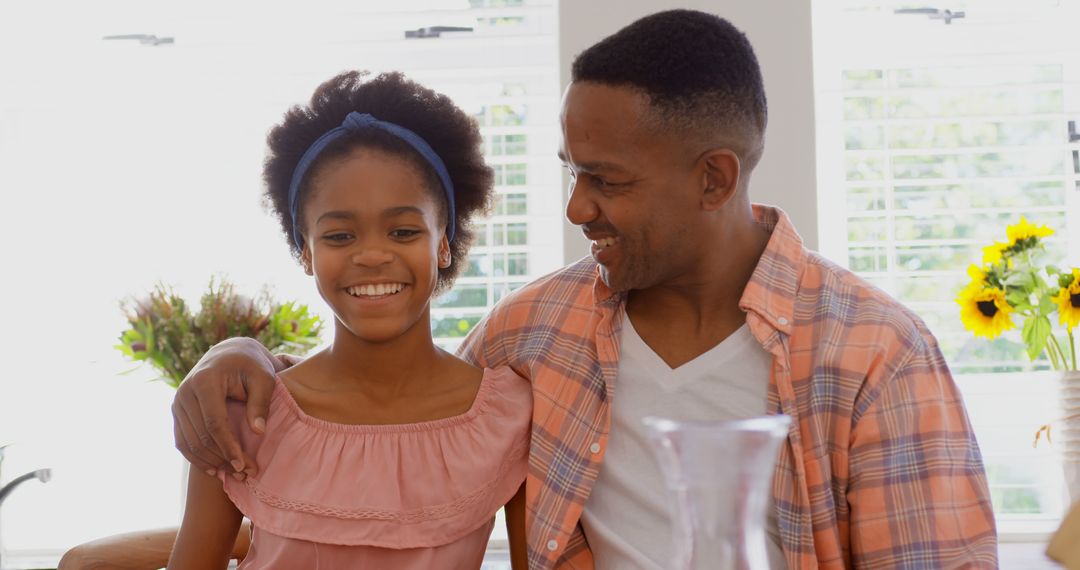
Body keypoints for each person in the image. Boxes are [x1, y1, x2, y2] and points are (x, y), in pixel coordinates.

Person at [172, 10, 998, 569]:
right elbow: (385, 416)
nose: (575, 207)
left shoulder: (875, 356)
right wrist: (233, 355)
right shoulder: (533, 333)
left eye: (605, 179)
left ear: (714, 178)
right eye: (572, 172)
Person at [166, 70, 530, 569]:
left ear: (443, 242)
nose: (373, 255)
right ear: (305, 252)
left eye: (403, 231)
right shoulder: (242, 415)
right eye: (339, 236)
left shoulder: (508, 418)